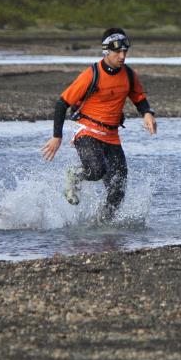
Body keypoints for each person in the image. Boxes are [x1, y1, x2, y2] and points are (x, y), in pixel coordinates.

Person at [41, 28, 157, 221]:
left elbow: (138, 96)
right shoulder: (91, 74)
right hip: (87, 132)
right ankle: (75, 174)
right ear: (106, 52)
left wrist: (147, 113)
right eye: (117, 52)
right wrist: (57, 137)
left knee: (118, 190)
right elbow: (62, 103)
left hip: (112, 137)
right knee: (96, 170)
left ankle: (101, 226)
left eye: (125, 51)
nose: (122, 56)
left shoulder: (129, 75)